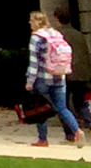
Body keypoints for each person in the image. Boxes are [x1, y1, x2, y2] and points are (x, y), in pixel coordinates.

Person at [23, 10, 82, 147]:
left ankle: (42, 139)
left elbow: (34, 62)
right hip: (59, 76)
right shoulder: (56, 34)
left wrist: (30, 81)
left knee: (41, 108)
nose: (30, 23)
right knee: (62, 107)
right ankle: (77, 130)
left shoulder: (36, 37)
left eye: (31, 21)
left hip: (43, 77)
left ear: (37, 22)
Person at [54, 9, 88, 130]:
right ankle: (88, 122)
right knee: (80, 102)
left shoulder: (57, 35)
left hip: (66, 73)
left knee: (62, 104)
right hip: (82, 73)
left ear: (56, 18)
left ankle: (70, 132)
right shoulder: (79, 34)